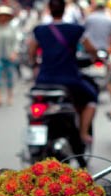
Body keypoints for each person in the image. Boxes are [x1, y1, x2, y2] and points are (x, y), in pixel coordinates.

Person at [29, 0, 98, 145]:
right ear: (64, 9)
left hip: (43, 81)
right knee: (91, 99)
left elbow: (31, 51)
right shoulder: (75, 29)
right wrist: (96, 57)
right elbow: (91, 49)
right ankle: (84, 133)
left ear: (49, 9)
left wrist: (34, 63)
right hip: (70, 80)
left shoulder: (40, 30)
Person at [0, 5, 19, 106]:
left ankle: (10, 95)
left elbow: (16, 42)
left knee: (10, 77)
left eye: (4, 15)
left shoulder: (12, 28)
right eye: (0, 15)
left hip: (9, 56)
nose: (2, 18)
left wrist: (14, 52)